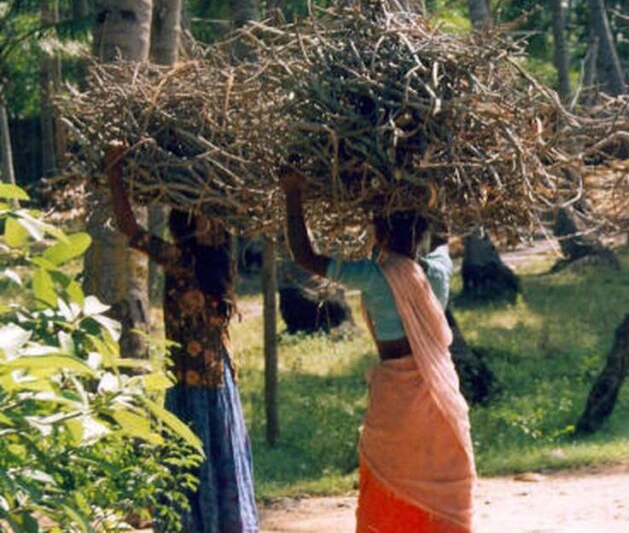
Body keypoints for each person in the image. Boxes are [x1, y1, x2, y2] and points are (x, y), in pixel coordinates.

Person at [279, 169, 475, 533]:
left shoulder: (373, 275)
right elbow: (443, 236)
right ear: (420, 233)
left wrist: (293, 193)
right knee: (443, 488)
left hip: (395, 405)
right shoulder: (436, 271)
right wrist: (436, 184)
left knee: (390, 484)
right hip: (441, 399)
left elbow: (304, 256)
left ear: (379, 233)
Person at [106, 146, 259, 533]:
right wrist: (115, 169)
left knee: (214, 460)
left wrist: (114, 168)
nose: (210, 227)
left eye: (215, 222)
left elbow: (129, 227)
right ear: (185, 225)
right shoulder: (181, 259)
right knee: (191, 463)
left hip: (215, 385)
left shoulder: (219, 265)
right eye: (201, 219)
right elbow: (129, 226)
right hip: (189, 383)